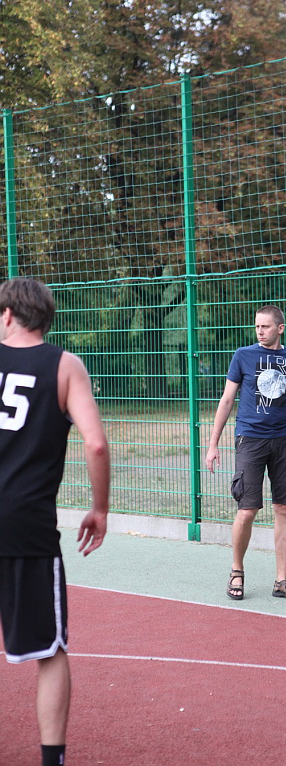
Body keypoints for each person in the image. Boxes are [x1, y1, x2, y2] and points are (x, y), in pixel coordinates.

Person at [0, 278, 110, 766]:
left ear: (7, 315)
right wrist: (99, 508)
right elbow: (96, 443)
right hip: (25, 524)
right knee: (49, 650)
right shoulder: (65, 366)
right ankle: (52, 759)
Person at [205, 305, 286, 601]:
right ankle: (236, 571)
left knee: (284, 508)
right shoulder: (243, 355)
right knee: (247, 510)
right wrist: (213, 444)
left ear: (280, 328)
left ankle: (281, 580)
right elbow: (226, 400)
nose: (260, 331)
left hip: (283, 440)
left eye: (266, 326)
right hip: (250, 439)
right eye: (257, 326)